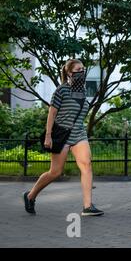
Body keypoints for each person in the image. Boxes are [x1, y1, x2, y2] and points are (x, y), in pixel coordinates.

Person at [23, 59, 104, 216]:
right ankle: (30, 195)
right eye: (78, 69)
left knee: (86, 165)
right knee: (55, 172)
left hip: (79, 133)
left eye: (83, 69)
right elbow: (52, 113)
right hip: (62, 134)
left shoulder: (83, 91)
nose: (82, 72)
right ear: (69, 72)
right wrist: (48, 136)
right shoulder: (62, 90)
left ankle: (87, 206)